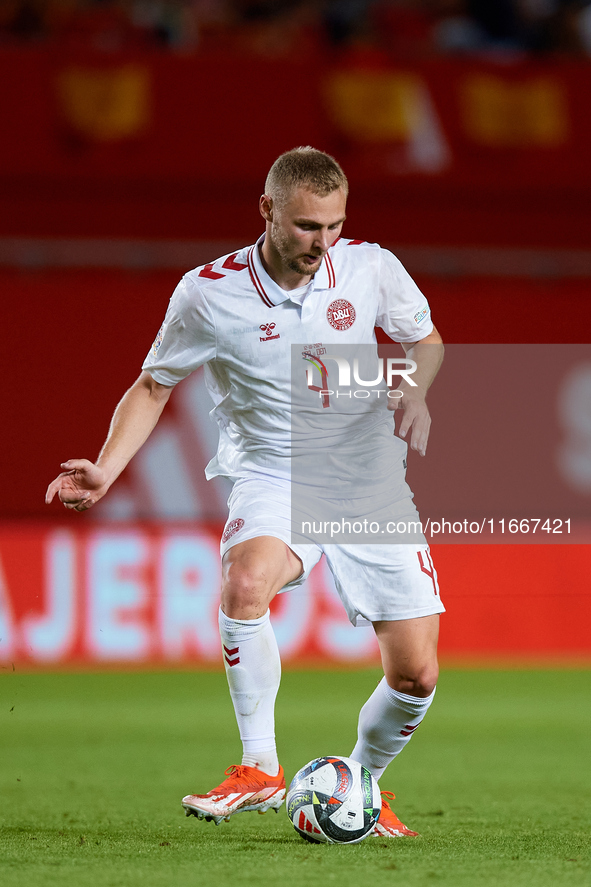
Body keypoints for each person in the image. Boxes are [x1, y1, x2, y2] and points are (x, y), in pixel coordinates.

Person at [46, 146, 445, 838]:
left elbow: (426, 341)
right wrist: (108, 468)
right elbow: (153, 384)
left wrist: (413, 393)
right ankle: (258, 766)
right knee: (244, 579)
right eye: (305, 226)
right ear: (266, 210)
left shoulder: (371, 267)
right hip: (272, 473)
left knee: (415, 674)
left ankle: (361, 784)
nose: (322, 244)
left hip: (367, 480)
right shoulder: (207, 292)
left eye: (333, 226)